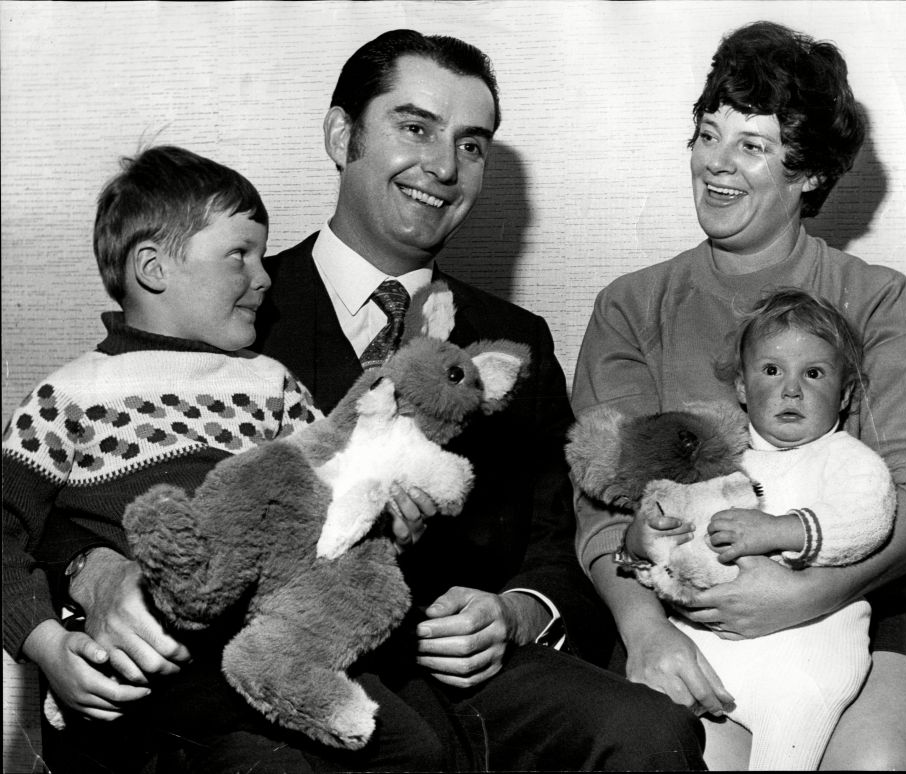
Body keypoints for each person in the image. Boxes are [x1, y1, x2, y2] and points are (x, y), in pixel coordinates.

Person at [25, 30, 707, 773]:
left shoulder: (513, 342)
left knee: (647, 731)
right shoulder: (223, 310)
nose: (444, 167)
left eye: (472, 145)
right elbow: (80, 488)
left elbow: (558, 534)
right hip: (266, 668)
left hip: (459, 672)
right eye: (415, 127)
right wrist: (92, 571)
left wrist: (515, 611)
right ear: (341, 134)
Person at [571, 20, 906, 771]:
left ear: (807, 174)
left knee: (874, 765)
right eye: (708, 135)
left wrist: (808, 593)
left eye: (751, 147)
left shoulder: (877, 300)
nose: (715, 164)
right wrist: (648, 634)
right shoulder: (632, 305)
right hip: (689, 617)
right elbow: (601, 510)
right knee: (692, 759)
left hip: (880, 613)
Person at [1, 145, 321, 771]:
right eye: (239, 255)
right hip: (142, 686)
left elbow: (333, 483)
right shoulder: (68, 396)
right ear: (153, 267)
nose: (264, 277)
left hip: (272, 652)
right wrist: (44, 643)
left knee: (409, 741)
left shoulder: (273, 384)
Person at [617, 288, 895, 769]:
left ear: (845, 393)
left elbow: (869, 518)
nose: (792, 390)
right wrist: (642, 541)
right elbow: (671, 522)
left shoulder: (847, 459)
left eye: (813, 373)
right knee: (648, 726)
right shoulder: (722, 458)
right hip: (711, 651)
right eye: (772, 371)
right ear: (743, 388)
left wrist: (780, 530)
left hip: (807, 658)